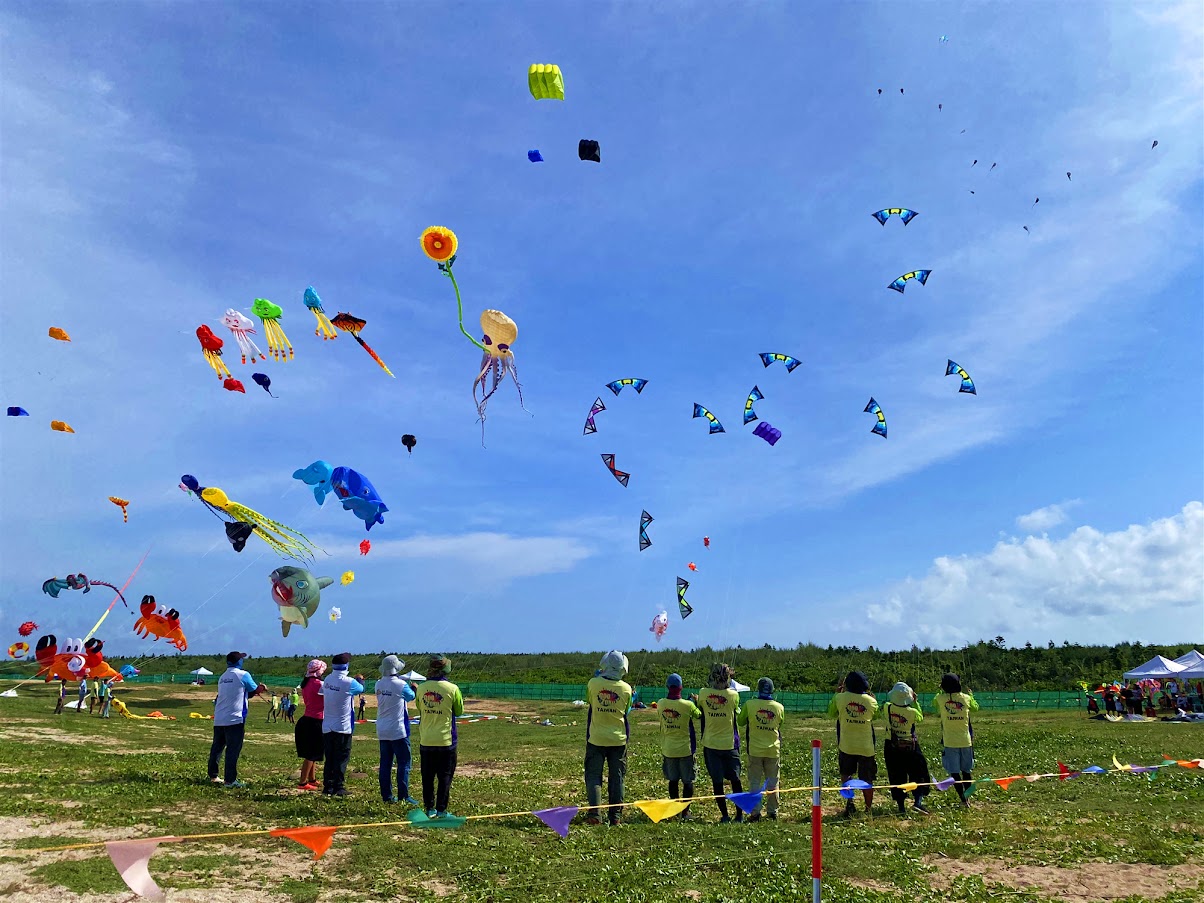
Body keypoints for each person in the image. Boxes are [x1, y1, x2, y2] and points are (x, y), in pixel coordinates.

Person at [582, 651, 633, 826]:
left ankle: (595, 815)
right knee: (617, 777)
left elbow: (589, 701)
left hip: (596, 738)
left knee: (593, 775)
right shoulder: (626, 689)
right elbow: (626, 711)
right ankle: (615, 816)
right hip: (618, 740)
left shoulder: (593, 683)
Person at [416, 655, 465, 819]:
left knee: (427, 777)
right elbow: (459, 711)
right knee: (445, 776)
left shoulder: (422, 688)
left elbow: (419, 708)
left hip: (426, 739)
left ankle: (429, 809)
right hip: (446, 740)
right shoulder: (452, 688)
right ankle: (442, 810)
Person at [208, 651, 266, 788]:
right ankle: (230, 780)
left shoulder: (222, 677)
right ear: (239, 662)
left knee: (217, 748)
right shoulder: (243, 675)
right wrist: (262, 688)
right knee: (233, 750)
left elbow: (240, 693)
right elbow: (253, 689)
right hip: (235, 718)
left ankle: (213, 775)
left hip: (219, 718)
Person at [828, 670, 879, 817]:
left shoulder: (840, 698)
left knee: (846, 775)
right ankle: (868, 809)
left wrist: (837, 694)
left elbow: (831, 713)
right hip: (866, 747)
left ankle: (849, 804)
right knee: (867, 779)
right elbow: (876, 716)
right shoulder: (871, 701)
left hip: (846, 745)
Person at [699, 662, 745, 823]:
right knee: (735, 780)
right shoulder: (733, 695)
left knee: (717, 782)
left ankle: (724, 815)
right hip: (730, 743)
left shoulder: (703, 694)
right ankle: (739, 815)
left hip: (711, 743)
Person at [737, 677, 785, 821]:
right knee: (773, 782)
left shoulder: (750, 704)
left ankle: (755, 813)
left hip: (755, 749)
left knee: (754, 782)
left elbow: (740, 721)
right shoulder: (779, 707)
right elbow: (779, 724)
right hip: (773, 750)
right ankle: (772, 811)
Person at [656, 673, 700, 822]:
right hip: (686, 749)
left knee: (673, 780)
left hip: (668, 749)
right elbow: (699, 715)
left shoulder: (661, 703)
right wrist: (696, 702)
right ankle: (685, 812)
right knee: (688, 781)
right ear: (681, 687)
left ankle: (675, 809)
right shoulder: (688, 705)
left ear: (667, 687)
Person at [883, 682, 931, 815]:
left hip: (892, 745)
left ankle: (901, 806)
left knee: (896, 775)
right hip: (910, 745)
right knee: (918, 772)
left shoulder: (887, 708)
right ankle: (918, 801)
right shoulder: (912, 712)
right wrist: (915, 702)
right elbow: (920, 718)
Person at [321, 652, 364, 797]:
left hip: (327, 725)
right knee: (341, 757)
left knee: (330, 757)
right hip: (343, 726)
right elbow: (360, 689)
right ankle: (338, 786)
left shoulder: (327, 679)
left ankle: (328, 786)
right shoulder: (349, 682)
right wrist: (360, 680)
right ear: (346, 666)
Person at [376, 655, 417, 804]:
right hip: (398, 729)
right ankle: (403, 795)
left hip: (382, 728)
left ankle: (386, 796)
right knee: (404, 762)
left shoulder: (378, 684)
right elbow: (410, 697)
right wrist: (413, 688)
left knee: (385, 763)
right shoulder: (400, 684)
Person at [934, 673, 978, 807]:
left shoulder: (940, 699)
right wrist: (971, 695)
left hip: (950, 741)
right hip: (966, 740)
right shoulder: (966, 698)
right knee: (967, 772)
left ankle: (963, 799)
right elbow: (975, 708)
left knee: (954, 773)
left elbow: (934, 703)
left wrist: (940, 690)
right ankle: (968, 798)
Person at [295, 660, 326, 791]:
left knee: (312, 752)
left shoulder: (306, 684)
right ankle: (302, 782)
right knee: (312, 753)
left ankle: (312, 779)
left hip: (306, 719)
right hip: (316, 720)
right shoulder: (320, 684)